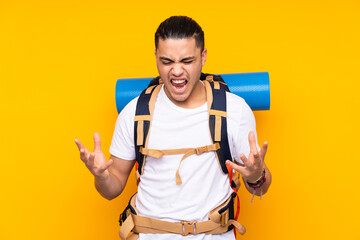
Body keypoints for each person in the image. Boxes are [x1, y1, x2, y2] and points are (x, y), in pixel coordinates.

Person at [75, 16, 272, 240]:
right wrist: (101, 176)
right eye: (167, 61)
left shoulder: (234, 110)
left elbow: (260, 187)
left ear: (203, 57)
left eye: (187, 61)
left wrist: (257, 175)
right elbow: (111, 189)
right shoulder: (135, 113)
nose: (176, 71)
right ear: (156, 58)